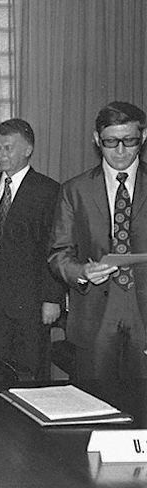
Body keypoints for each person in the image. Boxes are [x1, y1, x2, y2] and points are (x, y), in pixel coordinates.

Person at [49, 101, 147, 381]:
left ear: (143, 137)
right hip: (94, 318)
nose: (119, 151)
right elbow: (58, 255)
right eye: (110, 142)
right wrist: (82, 272)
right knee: (94, 408)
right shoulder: (74, 190)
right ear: (96, 139)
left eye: (129, 141)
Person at [0, 118, 65, 380]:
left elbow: (57, 249)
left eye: (8, 148)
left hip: (32, 302)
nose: (0, 154)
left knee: (32, 374)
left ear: (28, 150)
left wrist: (52, 298)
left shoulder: (49, 191)